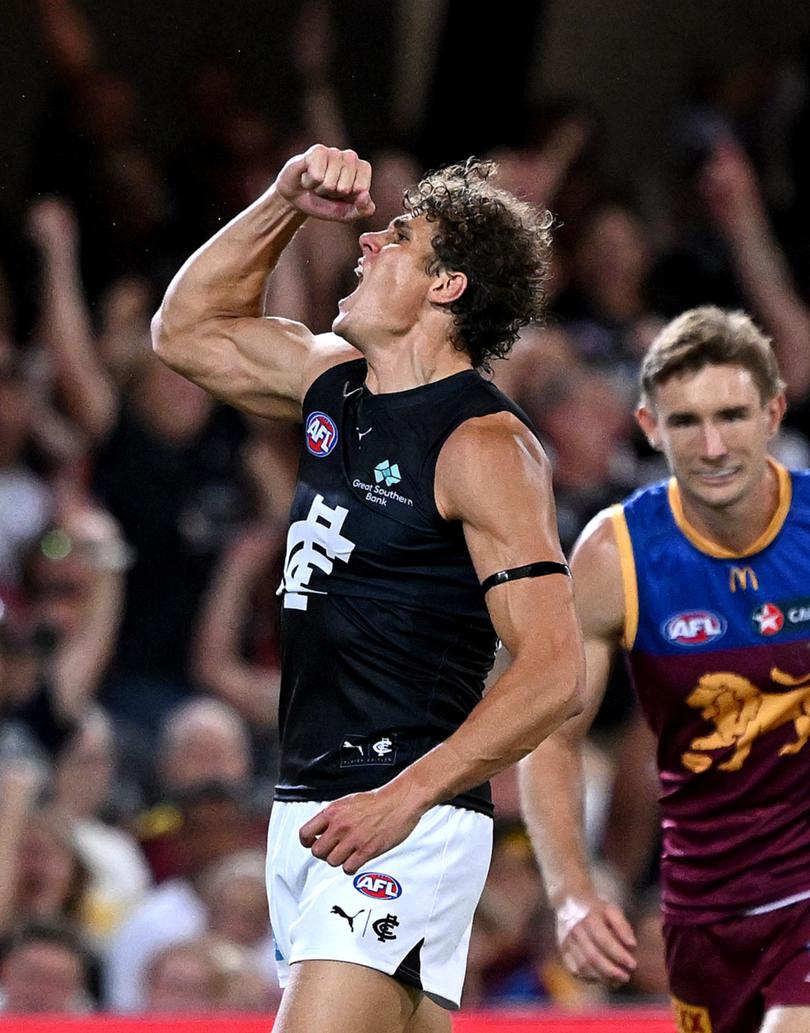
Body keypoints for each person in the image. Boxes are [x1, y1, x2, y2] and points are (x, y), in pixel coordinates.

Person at [152, 143, 584, 1033]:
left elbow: (552, 670)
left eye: (399, 236)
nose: (367, 243)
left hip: (402, 809)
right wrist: (283, 203)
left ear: (446, 286)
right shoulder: (329, 384)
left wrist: (403, 798)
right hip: (311, 803)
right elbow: (183, 332)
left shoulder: (485, 446)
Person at [520, 306, 810, 1033]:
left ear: (774, 412)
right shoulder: (615, 556)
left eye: (733, 415)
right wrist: (572, 891)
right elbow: (549, 736)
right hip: (703, 906)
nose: (712, 446)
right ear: (649, 427)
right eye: (686, 422)